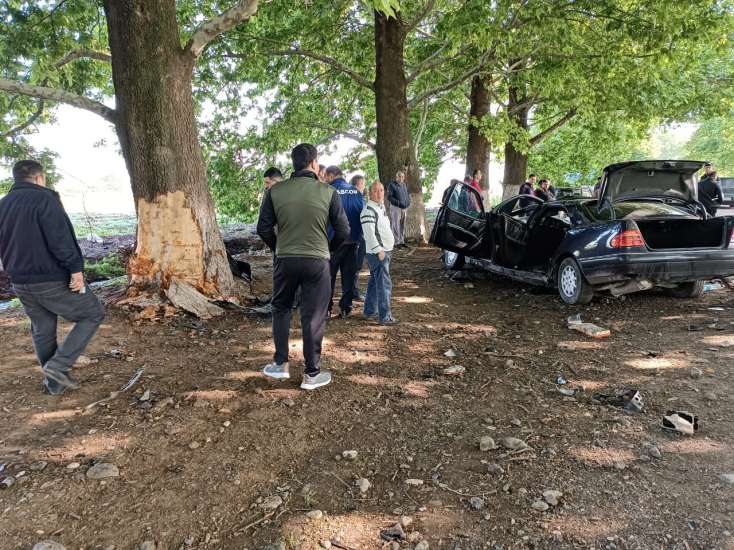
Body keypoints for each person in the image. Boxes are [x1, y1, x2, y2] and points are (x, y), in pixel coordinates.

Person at [0, 160, 105, 395]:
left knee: (42, 328)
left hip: (19, 280)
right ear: (39, 178)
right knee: (93, 313)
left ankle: (54, 384)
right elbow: (60, 239)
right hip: (49, 278)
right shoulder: (45, 199)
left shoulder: (3, 204)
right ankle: (58, 366)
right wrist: (76, 270)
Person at [257, 144, 349, 390]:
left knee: (281, 308)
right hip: (317, 261)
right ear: (314, 164)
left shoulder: (276, 191)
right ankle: (311, 373)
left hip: (285, 259)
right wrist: (328, 249)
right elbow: (343, 230)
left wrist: (279, 247)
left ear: (294, 163)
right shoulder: (328, 191)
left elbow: (263, 228)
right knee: (313, 315)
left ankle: (280, 364)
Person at [324, 166, 363, 318]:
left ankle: (327, 308)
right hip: (352, 240)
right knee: (349, 276)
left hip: (333, 241)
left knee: (329, 276)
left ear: (331, 176)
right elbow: (361, 213)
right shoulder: (356, 191)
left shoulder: (328, 190)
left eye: (326, 177)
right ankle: (346, 308)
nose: (325, 180)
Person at [360, 181, 397, 325]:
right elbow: (369, 234)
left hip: (385, 250)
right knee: (384, 284)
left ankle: (369, 310)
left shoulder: (380, 207)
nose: (379, 193)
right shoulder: (368, 210)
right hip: (379, 252)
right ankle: (385, 316)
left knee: (375, 282)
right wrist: (378, 250)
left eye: (381, 190)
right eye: (375, 190)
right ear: (370, 193)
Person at [350, 174, 368, 301]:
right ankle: (354, 291)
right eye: (363, 184)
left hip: (349, 236)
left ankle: (352, 290)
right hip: (358, 236)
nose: (364, 187)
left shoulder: (347, 197)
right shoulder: (358, 198)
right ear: (359, 184)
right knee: (355, 265)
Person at [386, 170, 411, 248]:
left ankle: (402, 241)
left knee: (402, 225)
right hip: (396, 207)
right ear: (396, 177)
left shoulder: (404, 185)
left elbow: (407, 195)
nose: (401, 178)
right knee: (395, 225)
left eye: (402, 177)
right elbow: (389, 197)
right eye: (399, 176)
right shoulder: (391, 185)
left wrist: (408, 202)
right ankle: (396, 242)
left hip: (404, 208)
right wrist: (399, 203)